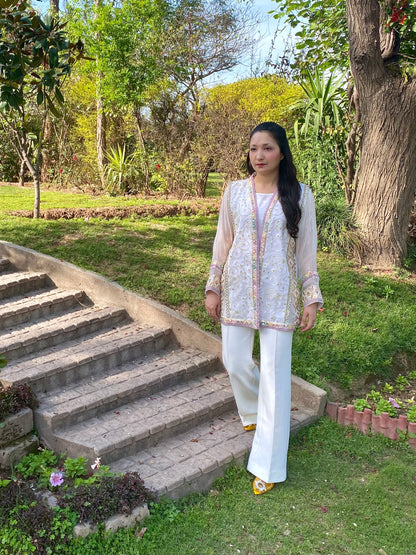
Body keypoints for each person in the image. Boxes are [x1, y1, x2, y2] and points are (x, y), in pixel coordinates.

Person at [205, 121, 323, 495]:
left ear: (282, 153)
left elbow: (306, 253)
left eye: (267, 148)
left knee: (275, 376)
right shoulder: (234, 192)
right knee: (235, 360)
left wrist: (311, 297)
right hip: (237, 290)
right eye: (254, 148)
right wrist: (213, 286)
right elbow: (222, 241)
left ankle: (269, 465)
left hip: (279, 295)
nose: (259, 155)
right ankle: (255, 413)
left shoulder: (301, 195)